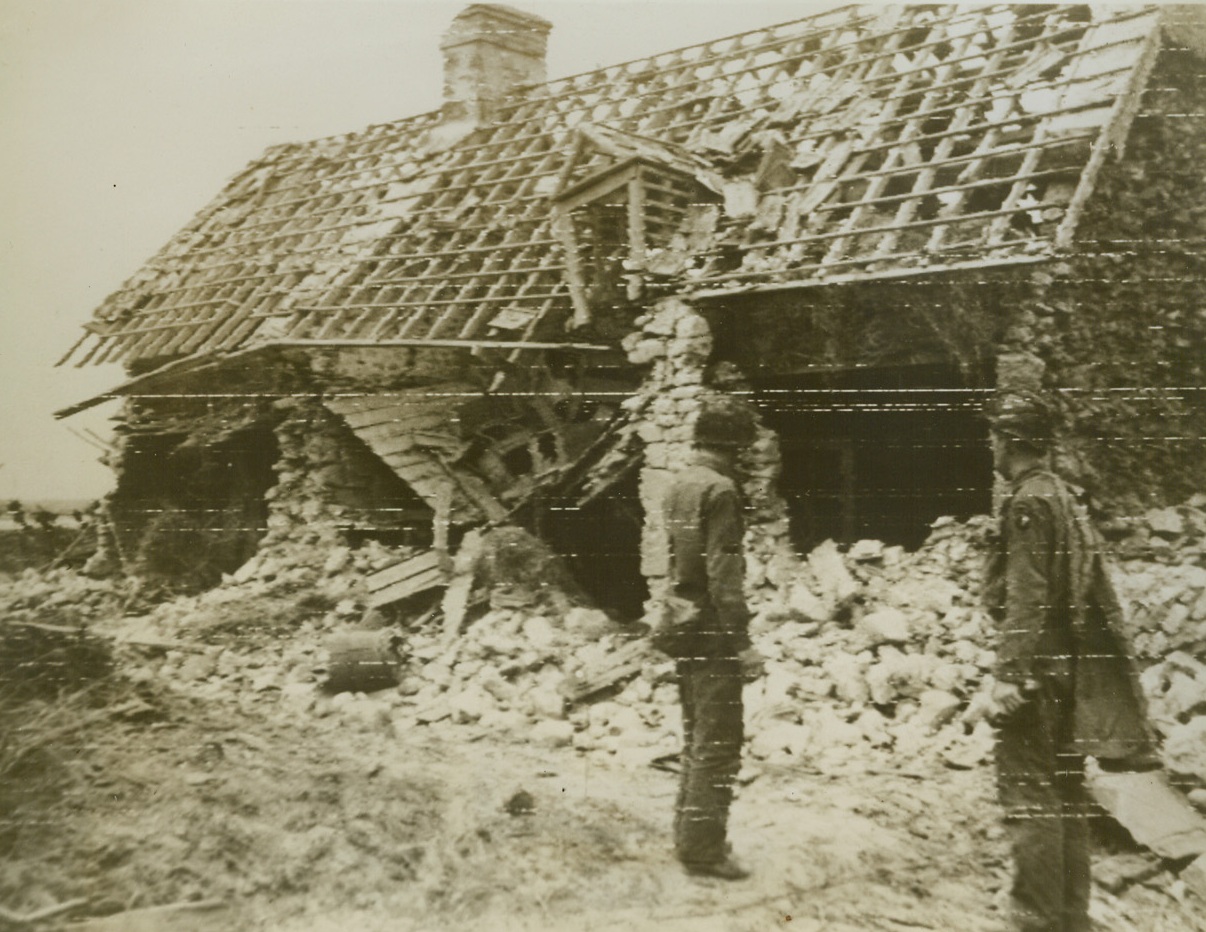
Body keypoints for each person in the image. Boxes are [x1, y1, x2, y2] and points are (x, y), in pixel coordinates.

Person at [982, 390, 1156, 932]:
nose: (989, 443)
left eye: (993, 435)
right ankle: (1070, 919)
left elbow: (1029, 597)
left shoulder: (1029, 502)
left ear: (1010, 441)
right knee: (1065, 795)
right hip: (1066, 672)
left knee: (1031, 799)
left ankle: (1037, 921)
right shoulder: (1060, 494)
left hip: (1037, 675)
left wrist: (1009, 676)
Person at [660, 397, 766, 880]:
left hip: (682, 622)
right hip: (713, 630)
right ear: (736, 446)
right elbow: (725, 575)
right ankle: (703, 852)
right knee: (718, 743)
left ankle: (687, 837)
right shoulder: (721, 490)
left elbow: (678, 564)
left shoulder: (680, 483)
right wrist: (742, 642)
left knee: (694, 736)